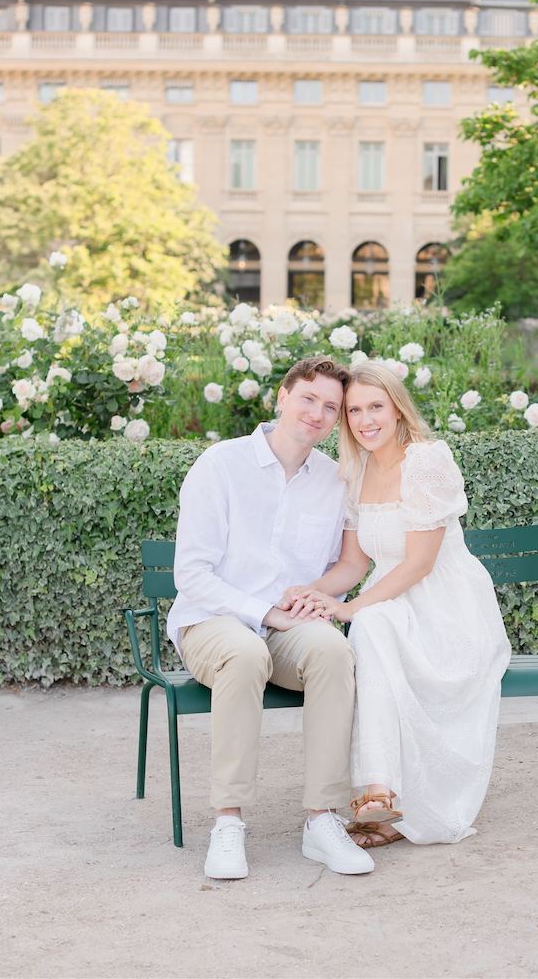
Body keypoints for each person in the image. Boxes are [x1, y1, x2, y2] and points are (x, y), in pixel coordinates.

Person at [167, 355, 375, 880]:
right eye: (309, 399)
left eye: (330, 407)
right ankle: (228, 822)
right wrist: (263, 612)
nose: (318, 413)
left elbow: (342, 566)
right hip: (212, 621)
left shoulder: (335, 480)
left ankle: (321, 820)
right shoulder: (221, 465)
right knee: (244, 650)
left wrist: (313, 597)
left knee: (332, 649)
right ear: (282, 398)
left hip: (288, 629)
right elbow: (192, 574)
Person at [288, 361, 511, 848]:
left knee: (368, 626)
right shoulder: (356, 471)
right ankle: (380, 794)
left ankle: (380, 799)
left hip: (447, 608)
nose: (366, 420)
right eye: (354, 411)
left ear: (397, 409)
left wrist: (351, 609)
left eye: (376, 407)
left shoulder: (427, 461)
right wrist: (317, 593)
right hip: (392, 609)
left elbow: (420, 564)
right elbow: (352, 563)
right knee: (372, 629)